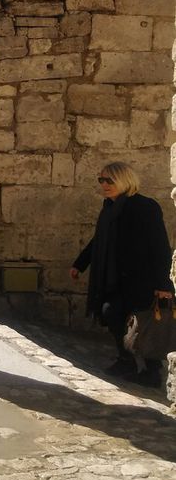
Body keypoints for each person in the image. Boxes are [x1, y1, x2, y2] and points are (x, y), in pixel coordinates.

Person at [70, 162, 174, 387]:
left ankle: (152, 370)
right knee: (111, 314)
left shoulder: (145, 206)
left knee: (145, 323)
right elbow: (99, 239)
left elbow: (159, 246)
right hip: (113, 277)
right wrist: (80, 264)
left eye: (110, 180)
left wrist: (163, 283)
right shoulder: (109, 207)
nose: (105, 185)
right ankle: (125, 359)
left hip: (140, 278)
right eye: (101, 180)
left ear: (124, 180)